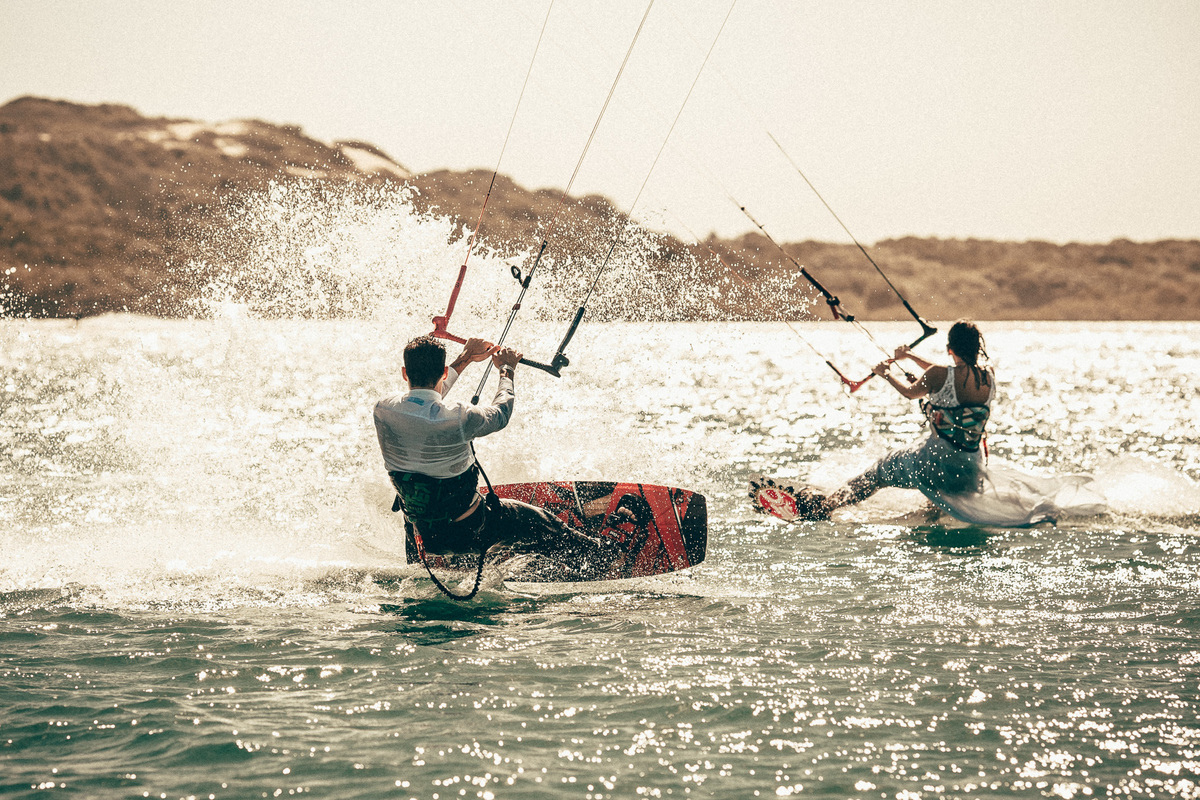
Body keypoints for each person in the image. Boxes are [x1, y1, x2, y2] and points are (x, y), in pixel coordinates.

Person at [373, 334, 617, 580]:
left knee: (414, 497)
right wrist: (507, 370)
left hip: (424, 536)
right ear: (443, 373)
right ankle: (601, 556)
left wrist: (466, 358)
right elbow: (501, 412)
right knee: (539, 520)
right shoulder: (460, 417)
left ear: (405, 373)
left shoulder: (383, 410)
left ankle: (417, 570)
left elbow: (425, 402)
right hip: (471, 531)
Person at [819, 320, 995, 516]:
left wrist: (885, 373)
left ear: (949, 349)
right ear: (976, 348)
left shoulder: (938, 374)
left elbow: (911, 392)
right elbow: (943, 373)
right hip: (970, 468)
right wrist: (910, 356)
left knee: (878, 472)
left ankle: (825, 507)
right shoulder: (988, 374)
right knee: (937, 504)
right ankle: (932, 519)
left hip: (937, 462)